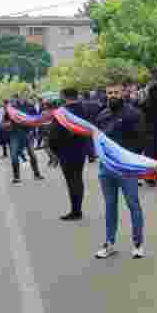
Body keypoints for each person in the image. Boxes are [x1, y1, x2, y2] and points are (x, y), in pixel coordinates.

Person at [93, 83, 147, 259]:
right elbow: (97, 139)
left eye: (116, 92)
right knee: (110, 206)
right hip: (106, 168)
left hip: (126, 169)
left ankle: (138, 244)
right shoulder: (102, 115)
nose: (112, 95)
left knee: (133, 205)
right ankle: (109, 243)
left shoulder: (133, 114)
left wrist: (131, 160)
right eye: (109, 92)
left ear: (123, 93)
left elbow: (141, 139)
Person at [47, 88, 94, 221]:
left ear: (64, 96)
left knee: (71, 181)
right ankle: (78, 208)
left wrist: (54, 151)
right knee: (78, 179)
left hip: (66, 150)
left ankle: (75, 211)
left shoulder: (62, 113)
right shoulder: (85, 109)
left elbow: (54, 134)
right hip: (81, 148)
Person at [3, 99, 43, 184]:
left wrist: (32, 130)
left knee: (32, 154)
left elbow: (34, 120)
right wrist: (7, 124)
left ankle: (37, 174)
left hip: (27, 134)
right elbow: (4, 122)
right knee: (14, 156)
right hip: (14, 135)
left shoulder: (28, 107)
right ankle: (17, 177)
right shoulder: (9, 110)